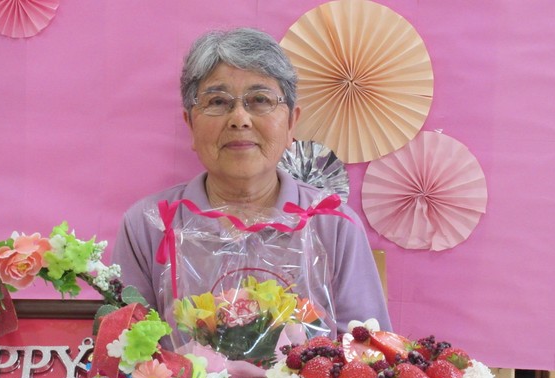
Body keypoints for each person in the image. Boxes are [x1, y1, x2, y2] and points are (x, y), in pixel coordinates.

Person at [112, 27, 391, 334]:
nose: (239, 118)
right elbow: (127, 355)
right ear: (190, 124)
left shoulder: (333, 225)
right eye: (218, 102)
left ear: (291, 123)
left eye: (260, 100)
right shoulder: (149, 225)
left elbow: (366, 352)